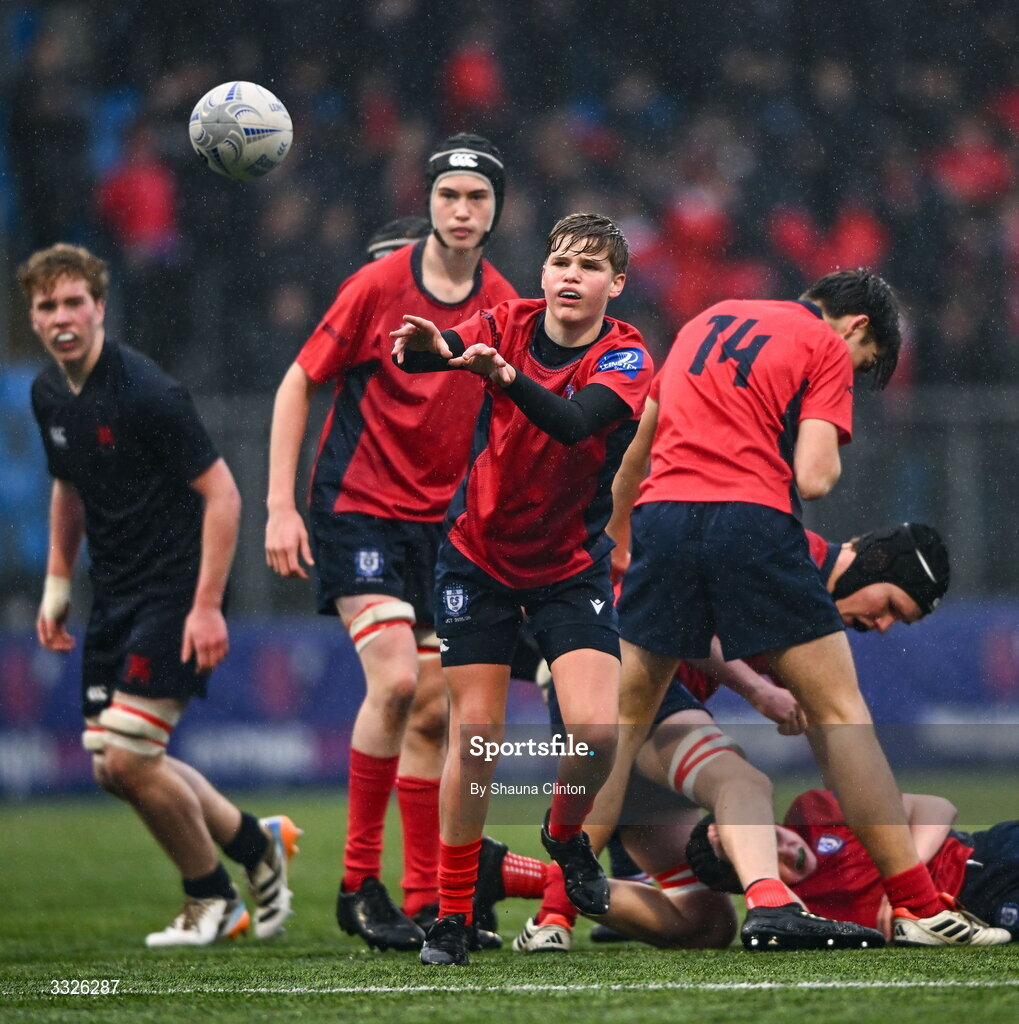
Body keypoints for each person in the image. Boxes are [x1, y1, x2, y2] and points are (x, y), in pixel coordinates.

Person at [565, 269, 999, 949]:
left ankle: (562, 894)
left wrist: (621, 540)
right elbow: (814, 475)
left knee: (621, 724)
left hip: (660, 519)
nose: (853, 378)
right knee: (839, 715)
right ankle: (918, 908)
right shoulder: (822, 343)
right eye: (864, 368)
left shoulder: (705, 319)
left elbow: (634, 459)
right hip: (748, 517)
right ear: (856, 327)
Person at [265, 134, 517, 951]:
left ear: (494, 212)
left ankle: (423, 899)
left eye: (477, 199)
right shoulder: (377, 284)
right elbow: (298, 379)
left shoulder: (505, 302)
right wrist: (280, 505)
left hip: (442, 534)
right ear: (431, 202)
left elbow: (511, 420)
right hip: (360, 511)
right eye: (449, 196)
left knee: (436, 714)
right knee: (401, 681)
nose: (461, 210)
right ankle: (354, 882)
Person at [489, 523, 963, 952]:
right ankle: (772, 905)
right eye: (891, 607)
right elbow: (675, 612)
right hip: (617, 666)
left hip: (637, 692)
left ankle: (506, 874)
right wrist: (757, 689)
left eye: (898, 623)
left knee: (705, 925)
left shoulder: (807, 599)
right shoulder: (787, 551)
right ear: (873, 560)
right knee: (741, 783)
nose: (882, 626)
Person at [392, 212, 654, 966]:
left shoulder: (628, 356)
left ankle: (563, 837)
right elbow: (447, 349)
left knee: (596, 734)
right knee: (474, 739)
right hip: (477, 560)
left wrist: (499, 375)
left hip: (569, 566)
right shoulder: (507, 320)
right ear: (542, 274)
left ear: (616, 284)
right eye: (561, 262)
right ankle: (448, 916)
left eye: (591, 266)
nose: (572, 276)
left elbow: (575, 425)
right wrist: (424, 352)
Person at [21, 243, 300, 948]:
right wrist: (58, 583)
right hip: (115, 595)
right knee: (115, 767)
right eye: (47, 305)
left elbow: (225, 497)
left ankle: (213, 899)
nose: (62, 317)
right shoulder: (47, 393)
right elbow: (67, 487)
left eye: (74, 302)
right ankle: (253, 844)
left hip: (177, 590)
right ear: (33, 316)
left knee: (125, 758)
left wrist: (206, 605)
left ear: (99, 307)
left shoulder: (146, 390)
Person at [686, 790, 1016, 944]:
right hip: (980, 908)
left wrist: (904, 882)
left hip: (981, 855)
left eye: (774, 835)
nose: (787, 850)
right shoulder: (797, 922)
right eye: (769, 858)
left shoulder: (811, 811)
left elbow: (937, 807)